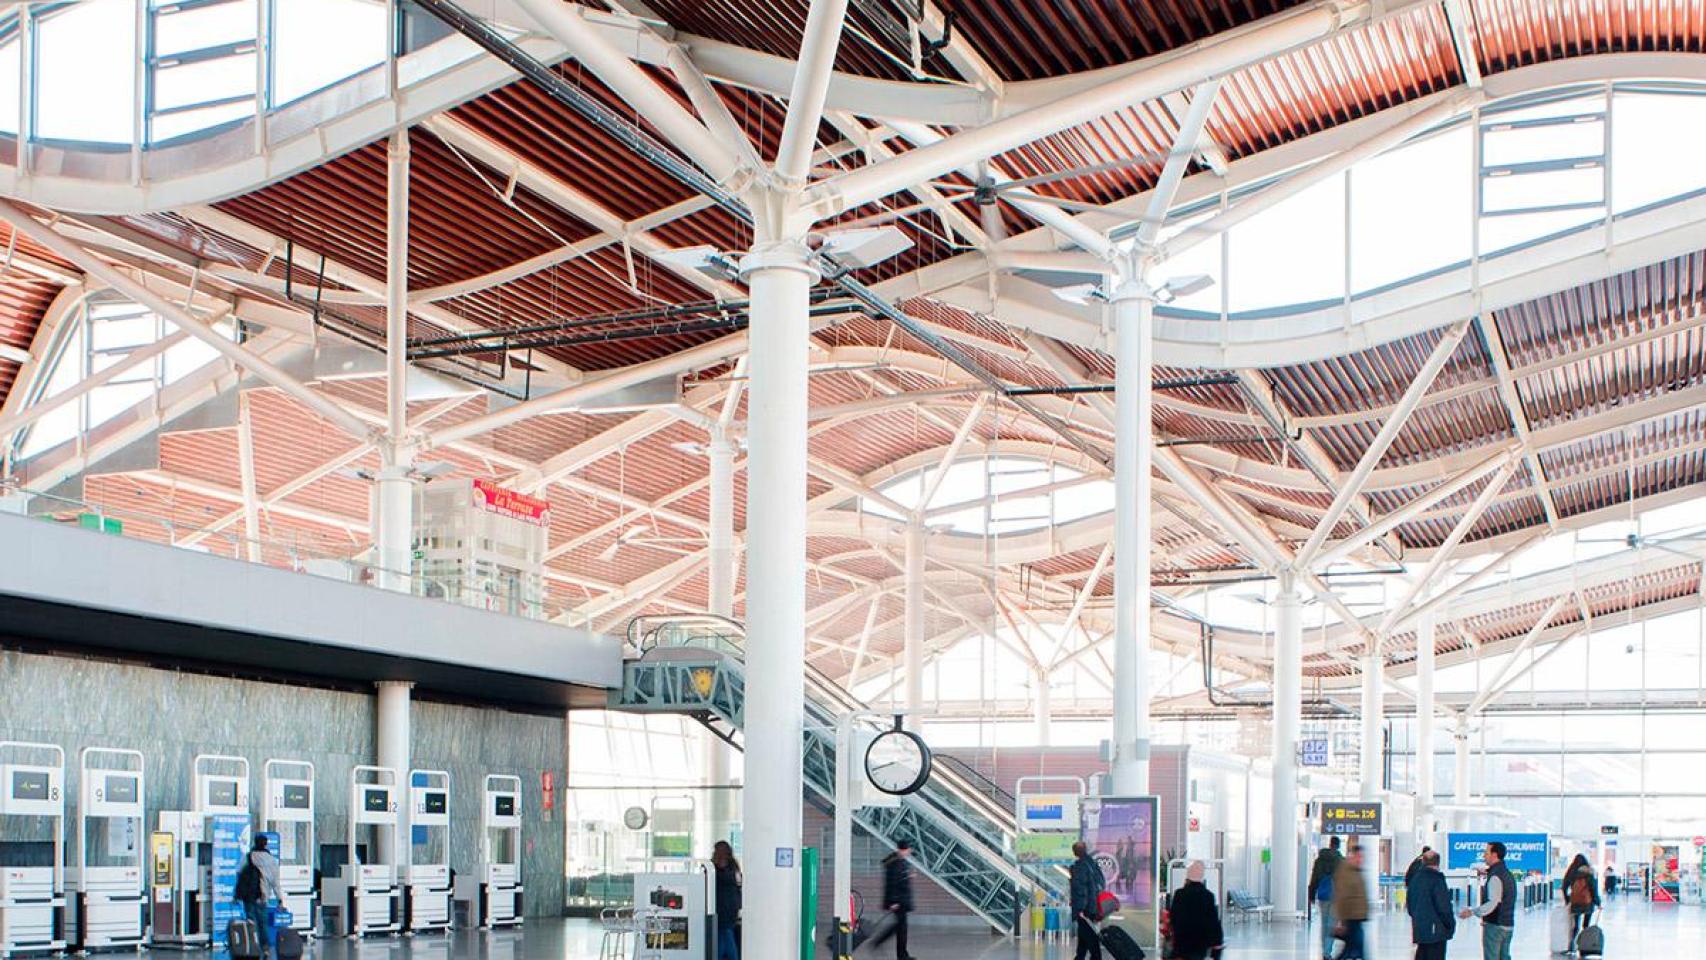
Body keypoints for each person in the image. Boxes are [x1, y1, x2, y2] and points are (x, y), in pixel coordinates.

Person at [1459, 842, 1515, 960]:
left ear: (1494, 855)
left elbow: (1493, 903)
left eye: (1486, 853)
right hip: (1508, 924)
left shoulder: (1495, 876)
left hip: (1495, 926)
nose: (1484, 856)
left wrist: (1472, 912)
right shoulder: (1507, 874)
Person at [234, 834, 281, 959]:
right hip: (263, 896)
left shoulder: (248, 857)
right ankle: (265, 948)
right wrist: (280, 899)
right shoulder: (271, 860)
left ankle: (252, 946)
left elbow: (239, 872)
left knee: (251, 921)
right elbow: (275, 882)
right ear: (266, 844)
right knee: (263, 923)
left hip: (249, 895)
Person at [868, 839, 915, 960]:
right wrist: (893, 901)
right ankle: (897, 953)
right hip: (898, 901)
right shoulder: (895, 863)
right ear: (902, 849)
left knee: (900, 928)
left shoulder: (899, 861)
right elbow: (892, 883)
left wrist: (908, 875)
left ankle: (901, 954)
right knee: (901, 928)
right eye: (907, 849)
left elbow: (900, 879)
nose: (909, 851)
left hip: (901, 900)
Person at [1168, 861, 1224, 960]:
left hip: (1182, 942)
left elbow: (1174, 917)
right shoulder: (1208, 895)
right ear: (1202, 876)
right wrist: (1217, 942)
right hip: (1200, 943)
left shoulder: (1179, 894)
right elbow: (1213, 921)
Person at [1406, 849, 1455, 960]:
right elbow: (1443, 907)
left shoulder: (1415, 879)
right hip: (1436, 932)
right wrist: (1450, 925)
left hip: (1420, 930)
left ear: (1423, 861)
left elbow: (1410, 906)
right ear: (1438, 863)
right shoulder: (1437, 880)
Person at [1309, 836, 1346, 960]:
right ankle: (1327, 952)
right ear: (1338, 846)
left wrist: (1311, 894)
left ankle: (1324, 949)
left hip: (1323, 895)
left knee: (1324, 924)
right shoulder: (1341, 861)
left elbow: (1314, 878)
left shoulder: (1319, 860)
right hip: (1336, 897)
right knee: (1331, 924)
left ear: (1330, 844)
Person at [1332, 843, 1370, 960]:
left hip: (1357, 917)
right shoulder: (1345, 873)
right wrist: (1341, 920)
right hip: (1350, 918)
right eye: (1358, 856)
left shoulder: (1356, 871)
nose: (1360, 859)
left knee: (1350, 949)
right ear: (1352, 856)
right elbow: (1341, 897)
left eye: (1362, 857)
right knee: (1357, 949)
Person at [1070, 840, 1107, 960]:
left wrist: (1081, 909)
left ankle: (1096, 957)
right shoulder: (1092, 863)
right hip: (1093, 904)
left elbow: (1081, 890)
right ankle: (1079, 956)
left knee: (1088, 933)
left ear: (1075, 852)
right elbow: (1101, 882)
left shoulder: (1079, 866)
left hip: (1085, 908)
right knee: (1083, 933)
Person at [711, 841, 741, 960]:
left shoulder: (719, 870)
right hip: (731, 908)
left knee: (724, 935)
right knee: (725, 934)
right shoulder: (734, 866)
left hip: (722, 908)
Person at [1563, 853, 1600, 946]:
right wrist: (1597, 902)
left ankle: (1571, 944)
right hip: (1588, 902)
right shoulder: (1589, 872)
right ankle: (1584, 944)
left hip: (1575, 902)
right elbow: (1593, 889)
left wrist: (1568, 900)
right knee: (1586, 925)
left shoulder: (1572, 872)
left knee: (1575, 925)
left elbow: (1564, 887)